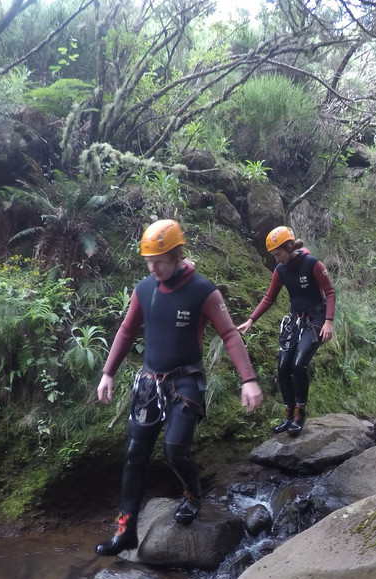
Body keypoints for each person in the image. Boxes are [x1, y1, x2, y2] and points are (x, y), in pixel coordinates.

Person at [95, 219, 263, 556]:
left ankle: (192, 492)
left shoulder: (203, 290)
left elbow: (230, 334)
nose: (153, 268)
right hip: (148, 384)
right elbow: (127, 331)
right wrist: (108, 372)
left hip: (185, 383)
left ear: (175, 255)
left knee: (175, 450)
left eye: (159, 261)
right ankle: (126, 530)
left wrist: (249, 380)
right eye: (148, 262)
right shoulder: (144, 288)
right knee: (134, 454)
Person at [237, 226, 335, 436]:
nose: (276, 259)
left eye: (278, 254)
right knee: (283, 366)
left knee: (299, 364)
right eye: (273, 255)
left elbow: (330, 292)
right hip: (295, 320)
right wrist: (251, 320)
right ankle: (288, 414)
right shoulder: (280, 270)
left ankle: (300, 414)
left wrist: (328, 322)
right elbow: (269, 298)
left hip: (316, 318)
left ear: (289, 247)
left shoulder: (312, 264)